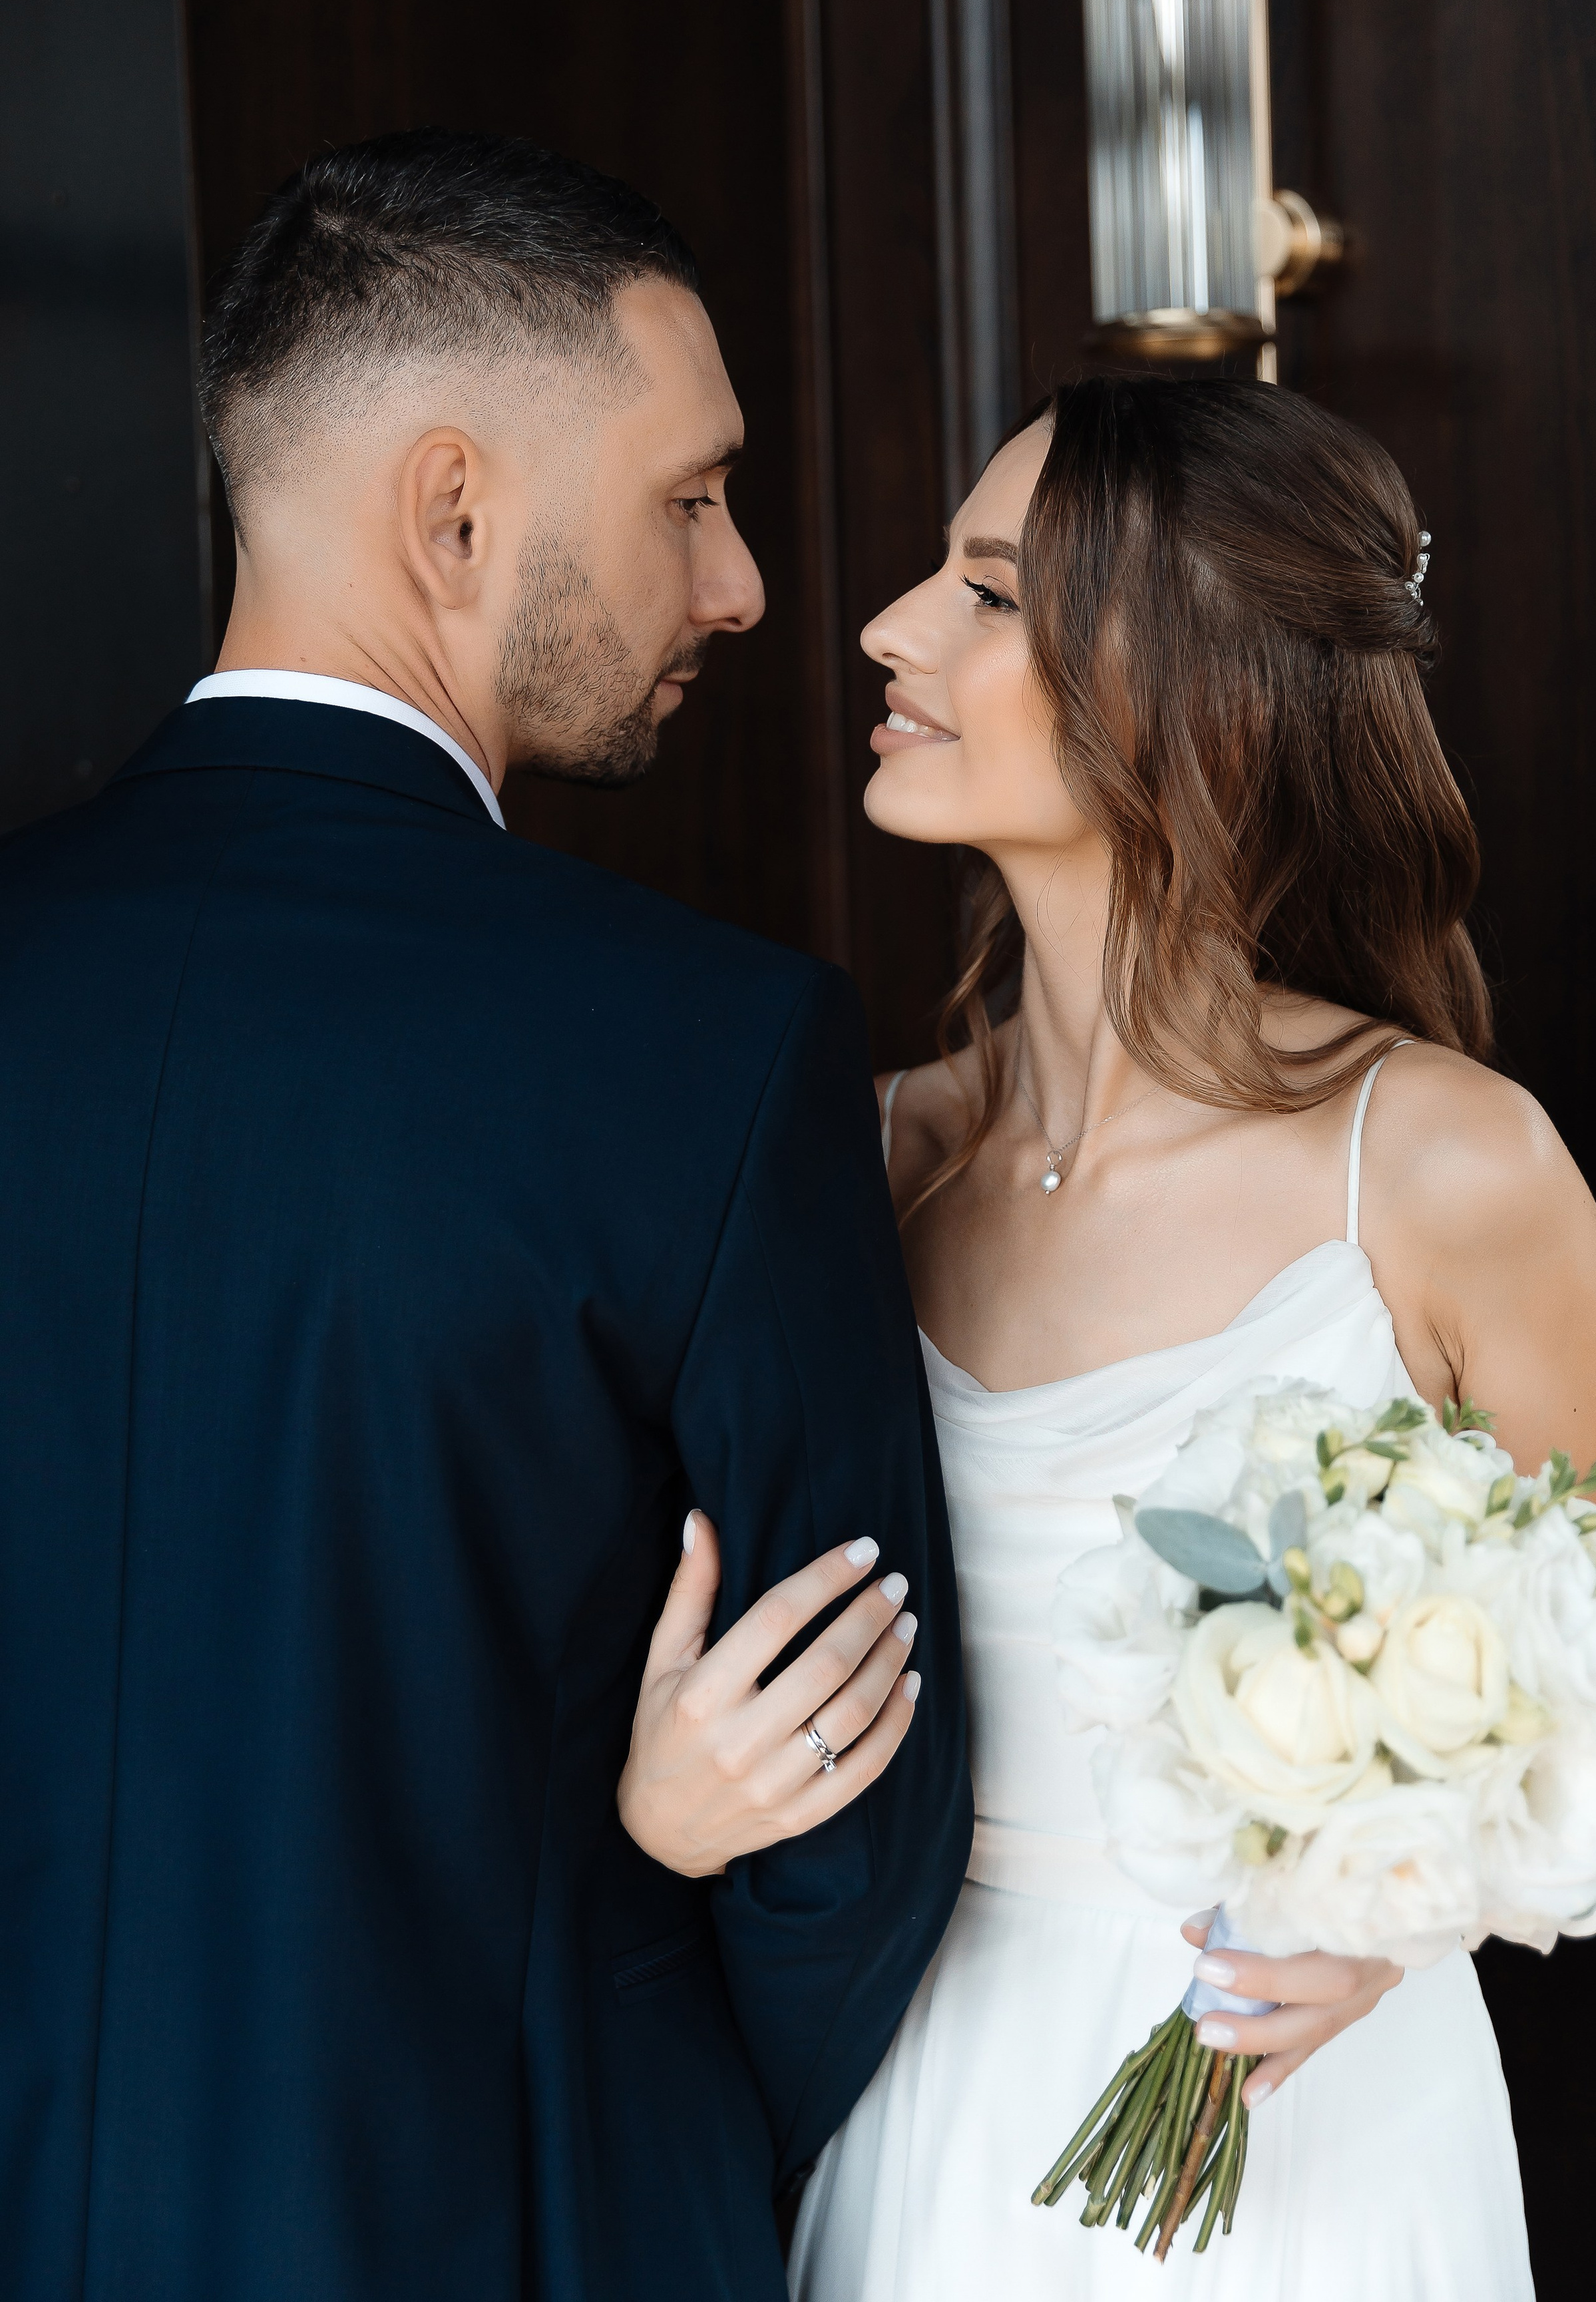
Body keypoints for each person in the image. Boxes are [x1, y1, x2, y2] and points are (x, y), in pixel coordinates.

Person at [0, 131, 971, 2302]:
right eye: (689, 498)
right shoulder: (707, 1052)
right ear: (456, 509)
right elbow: (857, 1801)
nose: (736, 585)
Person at [730, 375, 1596, 2298]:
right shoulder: (875, 1159)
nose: (891, 628)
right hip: (935, 2098)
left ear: (1206, 700)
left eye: (990, 595)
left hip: (1312, 2128)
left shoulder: (1435, 1165)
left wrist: (1408, 1902)